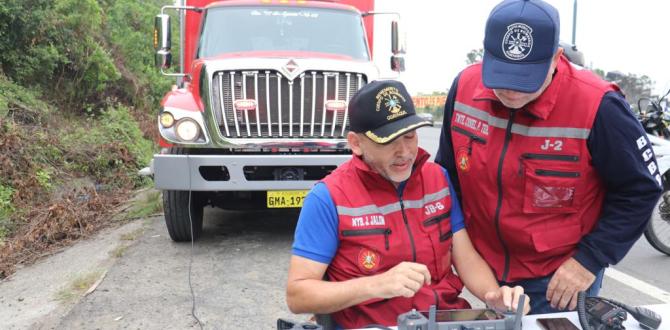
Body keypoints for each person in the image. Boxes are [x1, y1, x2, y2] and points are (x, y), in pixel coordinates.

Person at [435, 0, 663, 315]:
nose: (511, 90)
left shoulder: (598, 107)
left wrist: (589, 260)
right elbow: (447, 175)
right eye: (502, 74)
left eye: (525, 78)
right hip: (485, 270)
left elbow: (640, 189)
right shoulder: (463, 89)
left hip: (557, 278)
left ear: (556, 58)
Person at [286, 80, 529, 329]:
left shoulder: (438, 179)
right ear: (356, 143)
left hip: (443, 321)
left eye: (410, 136)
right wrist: (376, 284)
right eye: (388, 140)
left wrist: (493, 296)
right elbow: (298, 295)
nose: (404, 151)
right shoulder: (328, 198)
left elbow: (465, 257)